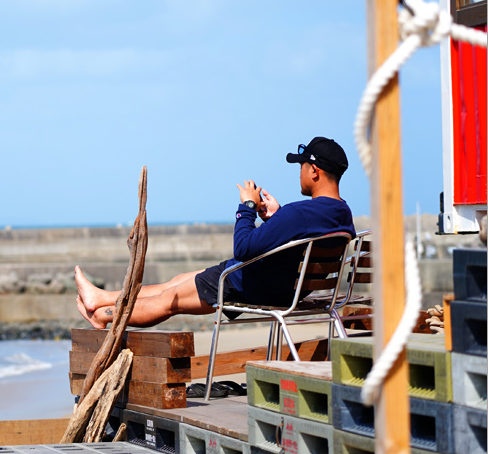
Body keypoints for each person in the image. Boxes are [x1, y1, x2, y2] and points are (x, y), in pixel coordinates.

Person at [75, 136, 356, 329]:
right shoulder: (342, 215)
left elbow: (243, 248)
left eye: (302, 166)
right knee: (174, 282)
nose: (300, 172)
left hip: (249, 284)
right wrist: (277, 214)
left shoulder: (300, 213)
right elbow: (296, 236)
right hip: (281, 287)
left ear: (315, 171)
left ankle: (103, 315)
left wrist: (247, 205)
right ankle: (100, 298)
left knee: (167, 301)